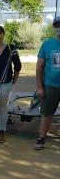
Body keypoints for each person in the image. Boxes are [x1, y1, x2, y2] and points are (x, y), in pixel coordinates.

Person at [34, 15, 60, 150]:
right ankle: (41, 137)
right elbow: (39, 68)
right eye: (57, 25)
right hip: (50, 86)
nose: (59, 29)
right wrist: (39, 87)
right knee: (47, 113)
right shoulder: (47, 45)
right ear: (54, 27)